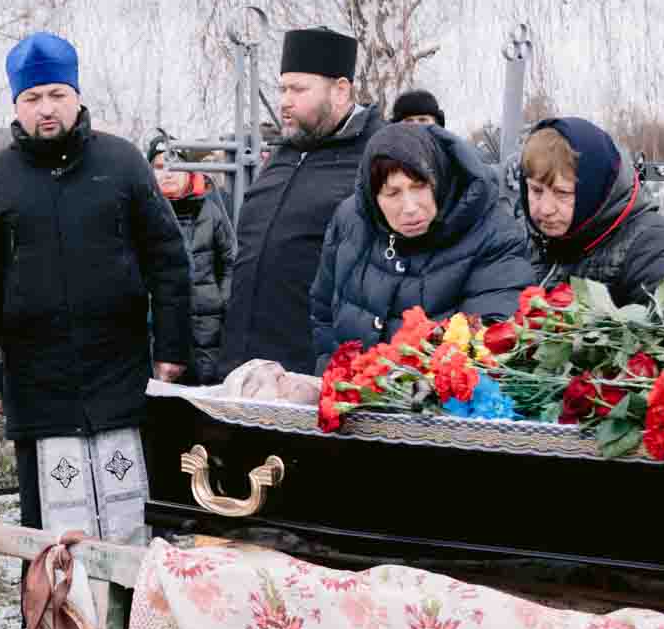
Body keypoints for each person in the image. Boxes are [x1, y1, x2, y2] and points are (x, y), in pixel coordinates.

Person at [0, 31, 191, 542]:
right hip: (37, 380)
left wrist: (171, 348)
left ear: (77, 96)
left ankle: (136, 619)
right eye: (32, 98)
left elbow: (168, 260)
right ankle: (51, 620)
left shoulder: (123, 163)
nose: (46, 109)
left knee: (134, 515)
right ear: (16, 104)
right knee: (50, 530)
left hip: (119, 370)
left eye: (57, 94)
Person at [216, 27, 381, 377]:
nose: (285, 101)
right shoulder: (282, 156)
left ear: (340, 91)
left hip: (315, 373)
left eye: (298, 89)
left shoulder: (376, 156)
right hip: (244, 366)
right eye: (282, 89)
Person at [309, 122, 533, 366]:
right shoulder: (351, 220)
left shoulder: (494, 234)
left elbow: (489, 339)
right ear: (373, 197)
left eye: (420, 186)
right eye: (392, 193)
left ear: (441, 178)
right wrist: (336, 378)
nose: (410, 207)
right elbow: (323, 312)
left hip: (432, 400)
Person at [523, 118, 664, 323]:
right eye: (536, 190)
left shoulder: (654, 248)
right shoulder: (534, 239)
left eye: (562, 193)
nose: (545, 209)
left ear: (594, 191)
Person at [147, 135, 236, 385]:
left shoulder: (211, 210)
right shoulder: (143, 212)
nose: (168, 173)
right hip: (159, 330)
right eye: (159, 167)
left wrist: (222, 300)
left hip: (208, 328)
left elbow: (230, 260)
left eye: (175, 164)